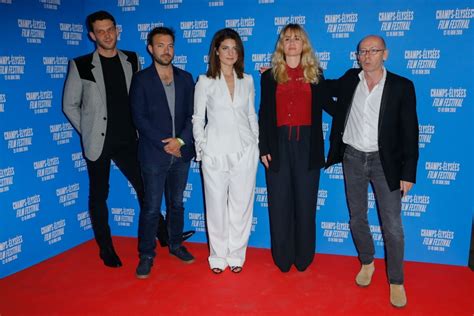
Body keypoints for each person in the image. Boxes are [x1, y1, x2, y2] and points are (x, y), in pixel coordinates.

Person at [325, 35, 419, 308]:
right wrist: (279, 75)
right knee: (357, 218)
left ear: (385, 54)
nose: (367, 56)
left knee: (392, 225)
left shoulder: (402, 86)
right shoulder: (350, 79)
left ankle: (396, 281)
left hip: (385, 162)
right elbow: (321, 88)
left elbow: (410, 132)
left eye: (373, 50)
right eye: (362, 51)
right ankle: (367, 262)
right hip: (352, 157)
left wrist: (408, 172)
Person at [63, 10, 142, 268]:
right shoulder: (81, 64)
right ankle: (106, 249)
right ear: (92, 35)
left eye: (111, 29)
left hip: (130, 138)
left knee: (146, 187)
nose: (107, 35)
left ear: (117, 29)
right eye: (101, 31)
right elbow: (70, 105)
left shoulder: (132, 58)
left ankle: (162, 233)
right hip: (99, 142)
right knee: (99, 195)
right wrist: (88, 130)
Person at [258, 24, 333, 273]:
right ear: (281, 44)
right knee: (279, 204)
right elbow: (264, 114)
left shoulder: (316, 75)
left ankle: (303, 257)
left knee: (305, 203)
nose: (291, 43)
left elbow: (331, 107)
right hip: (277, 146)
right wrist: (264, 147)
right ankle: (282, 257)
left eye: (297, 39)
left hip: (307, 146)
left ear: (304, 45)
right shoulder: (268, 76)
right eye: (287, 38)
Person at [130, 27, 195, 279]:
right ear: (150, 48)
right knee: (151, 208)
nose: (166, 50)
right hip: (154, 155)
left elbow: (193, 115)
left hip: (180, 153)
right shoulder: (141, 79)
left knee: (177, 204)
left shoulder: (186, 78)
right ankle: (146, 255)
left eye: (170, 45)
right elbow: (139, 118)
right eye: (160, 45)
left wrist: (180, 141)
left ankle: (176, 245)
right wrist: (164, 144)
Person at [193, 28, 259, 274]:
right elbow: (198, 118)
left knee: (242, 206)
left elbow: (251, 114)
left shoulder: (248, 80)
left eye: (235, 48)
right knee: (216, 206)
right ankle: (218, 257)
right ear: (216, 51)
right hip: (215, 152)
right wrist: (202, 150)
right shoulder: (205, 81)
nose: (231, 53)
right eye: (225, 48)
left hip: (245, 150)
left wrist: (257, 142)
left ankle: (236, 256)